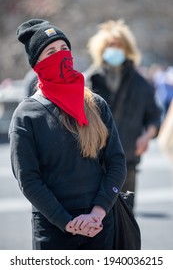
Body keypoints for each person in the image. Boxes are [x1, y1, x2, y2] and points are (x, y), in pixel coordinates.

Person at [8, 19, 126, 250]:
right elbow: (29, 180)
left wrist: (98, 212)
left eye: (64, 49)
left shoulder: (95, 104)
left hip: (100, 224)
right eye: (50, 51)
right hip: (54, 230)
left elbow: (116, 161)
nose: (60, 55)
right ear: (37, 64)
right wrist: (67, 222)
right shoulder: (26, 115)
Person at [84, 19, 161, 208]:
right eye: (110, 45)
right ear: (101, 48)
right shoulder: (90, 80)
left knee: (126, 217)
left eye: (118, 45)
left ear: (126, 48)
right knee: (96, 216)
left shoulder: (140, 83)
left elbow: (153, 116)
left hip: (128, 160)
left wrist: (146, 136)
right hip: (94, 160)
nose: (114, 49)